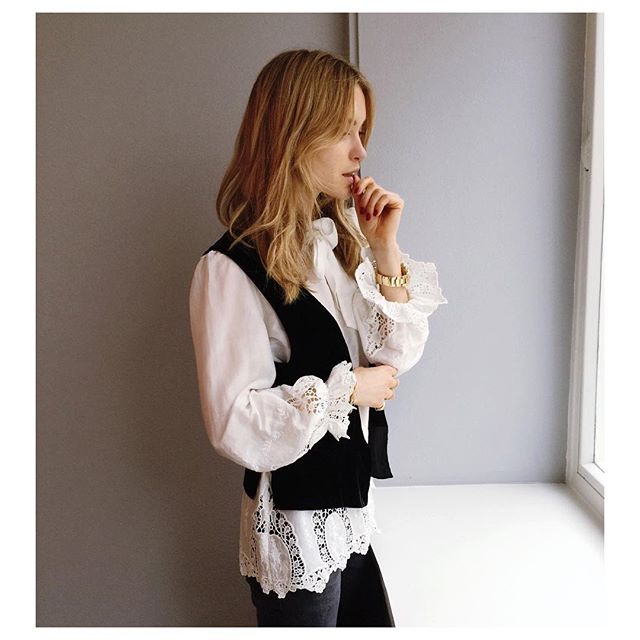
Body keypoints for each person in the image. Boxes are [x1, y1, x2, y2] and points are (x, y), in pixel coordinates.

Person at [188, 48, 448, 627]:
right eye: (343, 131)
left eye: (362, 130)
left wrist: (384, 249)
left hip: (351, 515)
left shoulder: (338, 242)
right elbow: (233, 420)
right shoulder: (228, 270)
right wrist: (348, 390)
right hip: (297, 534)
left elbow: (397, 354)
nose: (360, 150)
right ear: (293, 134)